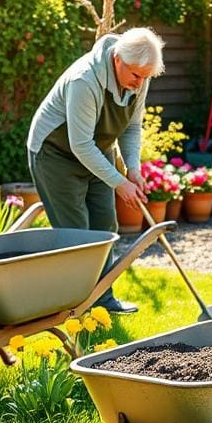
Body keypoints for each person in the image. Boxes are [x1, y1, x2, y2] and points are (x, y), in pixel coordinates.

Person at [28, 27, 164, 313]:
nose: (140, 84)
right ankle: (77, 307)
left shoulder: (139, 75)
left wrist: (133, 169)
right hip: (55, 155)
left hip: (97, 149)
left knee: (105, 225)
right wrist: (118, 182)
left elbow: (132, 127)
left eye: (146, 77)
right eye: (136, 76)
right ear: (117, 59)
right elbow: (80, 144)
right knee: (76, 233)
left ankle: (102, 300)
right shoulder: (84, 80)